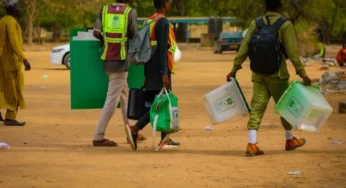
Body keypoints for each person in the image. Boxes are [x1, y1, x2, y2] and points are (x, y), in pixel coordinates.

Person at [226, 0, 312, 157]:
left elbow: (244, 48)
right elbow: (292, 52)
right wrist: (302, 73)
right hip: (277, 75)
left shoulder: (256, 23)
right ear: (280, 7)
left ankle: (251, 144)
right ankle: (290, 139)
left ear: (265, 7)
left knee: (257, 108)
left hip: (258, 73)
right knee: (284, 106)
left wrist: (234, 69)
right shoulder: (284, 25)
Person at [125, 0, 180, 150]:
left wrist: (145, 73)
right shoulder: (162, 22)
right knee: (160, 103)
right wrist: (164, 73)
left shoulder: (150, 21)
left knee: (160, 101)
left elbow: (146, 48)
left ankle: (165, 138)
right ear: (164, 5)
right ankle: (135, 129)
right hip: (160, 67)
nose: (170, 5)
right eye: (169, 2)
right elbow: (162, 49)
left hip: (151, 66)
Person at [92, 0, 146, 146]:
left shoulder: (104, 10)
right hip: (121, 61)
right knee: (111, 100)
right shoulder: (130, 12)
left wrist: (109, 43)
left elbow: (96, 32)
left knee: (125, 96)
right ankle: (98, 136)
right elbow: (135, 35)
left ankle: (131, 131)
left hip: (107, 59)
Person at [0, 0, 31, 126]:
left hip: (2, 60)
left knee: (3, 87)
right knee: (14, 89)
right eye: (18, 7)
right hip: (11, 61)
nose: (20, 9)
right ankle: (10, 118)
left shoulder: (2, 21)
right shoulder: (11, 23)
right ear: (12, 9)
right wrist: (24, 59)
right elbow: (14, 43)